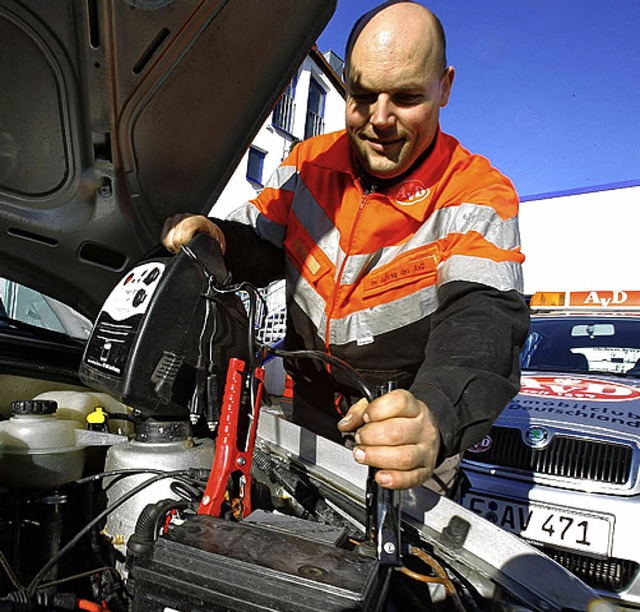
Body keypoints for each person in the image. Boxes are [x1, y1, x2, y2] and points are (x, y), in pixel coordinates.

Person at [162, 0, 530, 494]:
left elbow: (482, 321)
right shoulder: (307, 163)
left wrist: (436, 413)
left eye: (405, 97)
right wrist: (216, 237)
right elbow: (262, 246)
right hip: (308, 407)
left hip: (401, 427)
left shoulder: (478, 195)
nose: (380, 119)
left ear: (445, 87)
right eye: (362, 95)